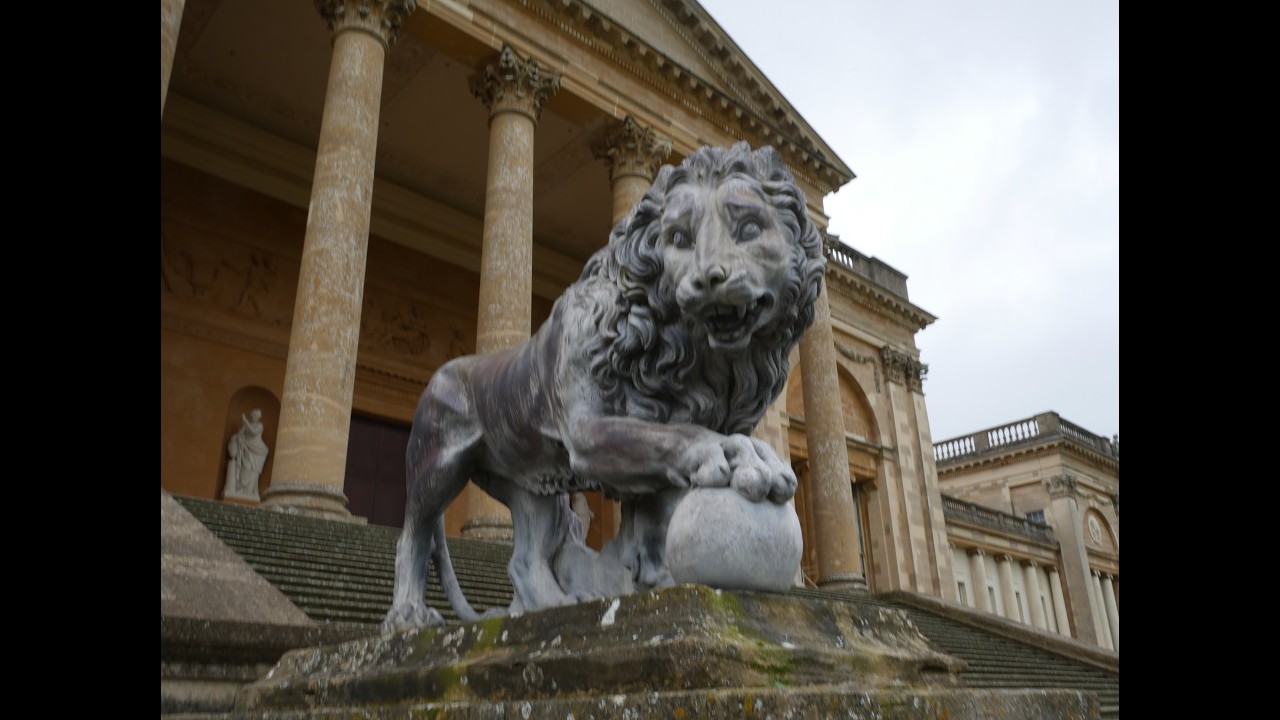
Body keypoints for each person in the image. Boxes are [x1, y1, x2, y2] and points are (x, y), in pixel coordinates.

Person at [224, 409, 269, 499]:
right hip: (248, 448)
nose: (255, 417)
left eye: (256, 415)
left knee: (254, 471)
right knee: (247, 467)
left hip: (259, 450)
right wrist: (234, 437)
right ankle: (241, 490)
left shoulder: (260, 425)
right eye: (254, 415)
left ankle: (249, 490)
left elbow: (254, 432)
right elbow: (240, 434)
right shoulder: (246, 425)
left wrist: (245, 422)